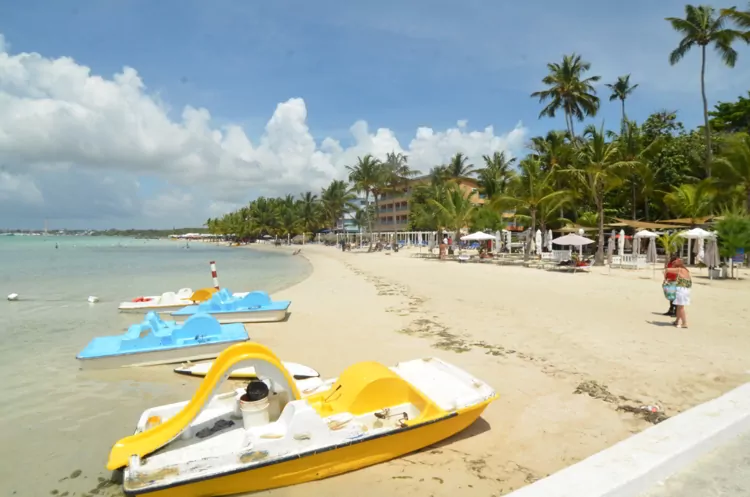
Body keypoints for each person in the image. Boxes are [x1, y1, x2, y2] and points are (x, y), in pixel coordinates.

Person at [665, 259, 692, 328]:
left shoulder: (679, 269)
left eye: (674, 264)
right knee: (679, 307)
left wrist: (665, 278)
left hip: (681, 291)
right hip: (686, 290)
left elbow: (667, 270)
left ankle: (684, 323)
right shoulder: (685, 270)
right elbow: (682, 280)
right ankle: (677, 321)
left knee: (680, 307)